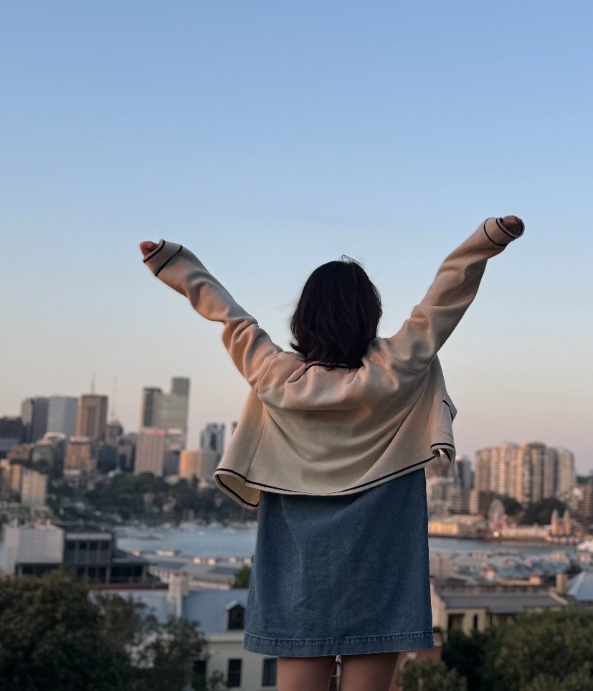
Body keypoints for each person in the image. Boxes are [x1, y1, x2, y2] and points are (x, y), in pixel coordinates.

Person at [140, 216, 524, 691]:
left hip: (297, 564)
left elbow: (230, 316)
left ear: (304, 318)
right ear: (369, 316)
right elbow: (442, 302)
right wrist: (486, 240)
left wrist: (173, 263)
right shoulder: (397, 368)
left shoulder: (276, 376)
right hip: (384, 559)